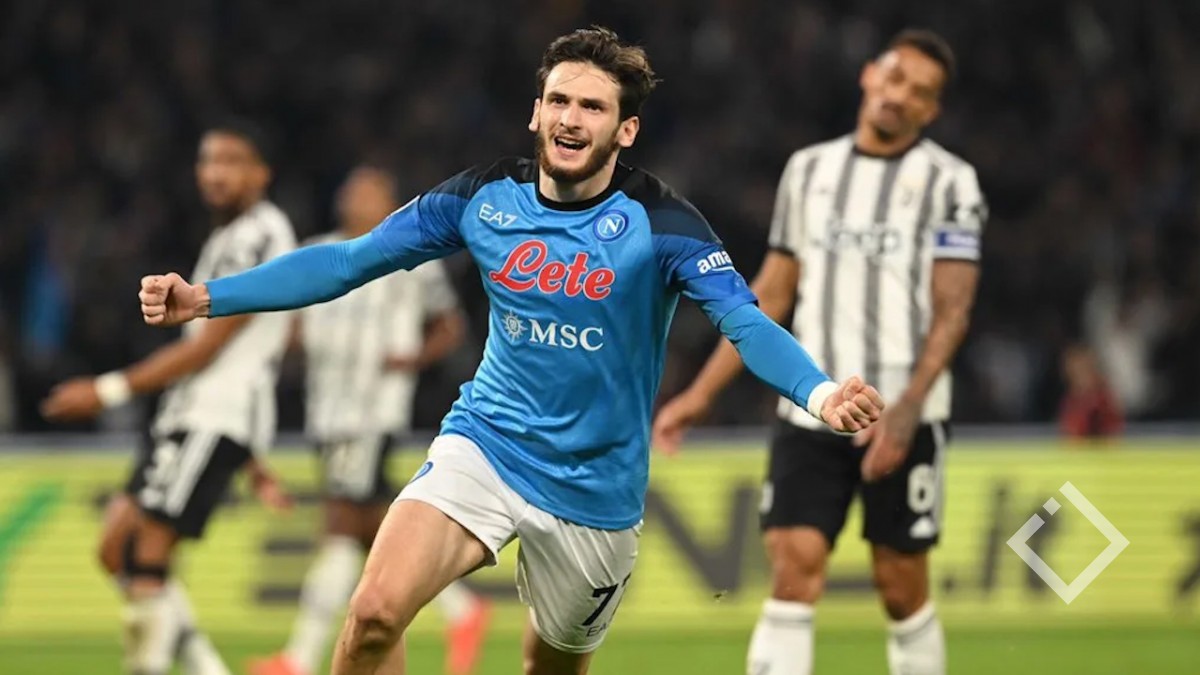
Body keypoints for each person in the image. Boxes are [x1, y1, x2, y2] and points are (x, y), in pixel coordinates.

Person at [136, 28, 884, 675]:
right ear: (536, 112)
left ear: (625, 131)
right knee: (373, 614)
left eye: (592, 107)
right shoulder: (484, 197)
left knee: (548, 665)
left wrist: (820, 394)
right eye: (558, 100)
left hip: (595, 487)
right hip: (486, 443)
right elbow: (347, 261)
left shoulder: (664, 223)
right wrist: (206, 297)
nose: (570, 118)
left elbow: (745, 321)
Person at [653, 29, 985, 675]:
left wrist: (908, 410)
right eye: (895, 77)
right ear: (870, 75)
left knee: (900, 585)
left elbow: (954, 309)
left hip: (904, 413)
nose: (900, 95)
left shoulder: (951, 182)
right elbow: (771, 294)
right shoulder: (809, 170)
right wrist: (700, 395)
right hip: (812, 406)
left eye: (919, 92)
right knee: (792, 567)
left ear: (931, 110)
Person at [42, 121, 297, 675]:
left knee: (145, 552)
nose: (215, 173)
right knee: (116, 550)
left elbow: (211, 345)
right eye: (207, 161)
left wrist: (106, 390)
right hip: (193, 412)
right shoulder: (227, 238)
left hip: (216, 412)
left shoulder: (259, 233)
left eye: (231, 161)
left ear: (261, 173)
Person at [249, 166, 489, 675]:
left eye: (369, 192)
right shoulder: (318, 250)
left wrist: (412, 360)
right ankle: (462, 609)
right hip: (325, 409)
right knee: (367, 527)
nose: (355, 198)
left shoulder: (413, 258)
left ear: (389, 201)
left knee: (340, 521)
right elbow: (293, 324)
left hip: (373, 411)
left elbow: (450, 326)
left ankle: (298, 658)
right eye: (351, 190)